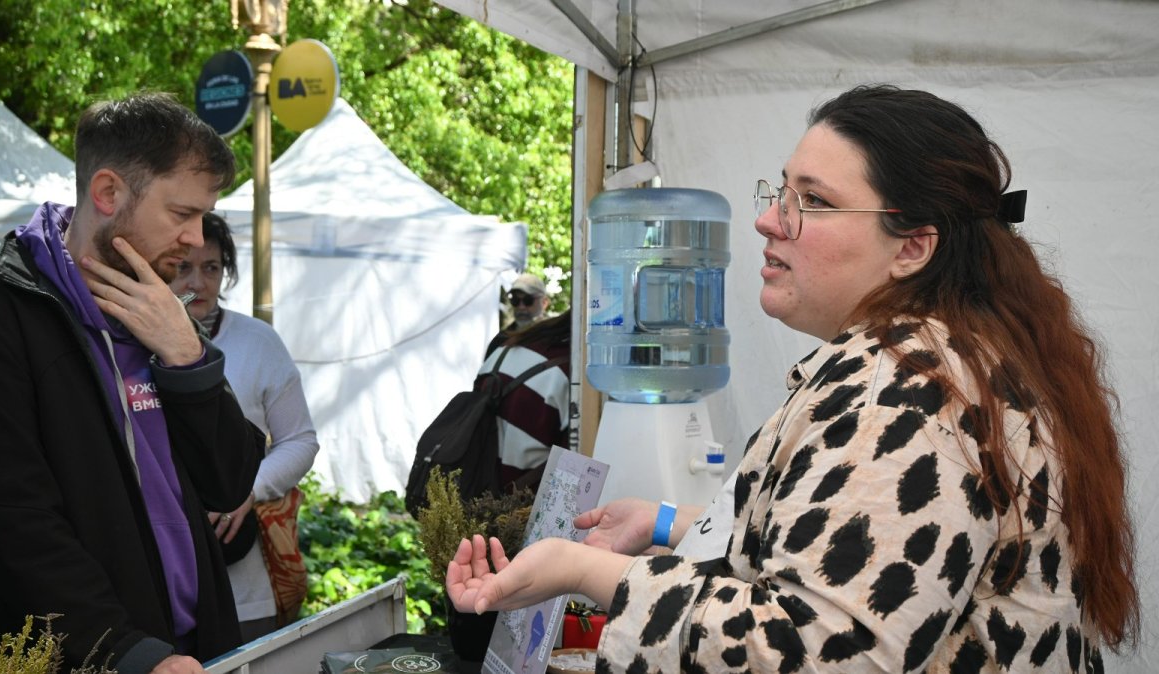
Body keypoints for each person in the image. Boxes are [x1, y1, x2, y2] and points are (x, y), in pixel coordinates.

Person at [446, 85, 1139, 672]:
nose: (768, 220)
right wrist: (664, 522)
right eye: (781, 191)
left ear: (912, 246)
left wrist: (582, 570)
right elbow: (853, 548)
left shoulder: (908, 395)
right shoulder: (946, 361)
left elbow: (817, 649)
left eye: (813, 200)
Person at [0, 93, 260, 674]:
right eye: (182, 214)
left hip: (198, 651)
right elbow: (13, 528)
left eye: (203, 216)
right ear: (107, 192)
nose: (196, 238)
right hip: (96, 660)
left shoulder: (161, 312)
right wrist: (129, 653)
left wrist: (189, 357)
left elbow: (229, 485)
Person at [168, 212, 319, 641]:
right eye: (183, 267)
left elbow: (300, 440)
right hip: (165, 580)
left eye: (211, 267)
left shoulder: (258, 341)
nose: (198, 282)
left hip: (244, 586)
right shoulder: (129, 342)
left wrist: (248, 491)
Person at [478, 309, 571, 493]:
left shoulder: (506, 346)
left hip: (471, 489)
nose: (521, 306)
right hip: (521, 502)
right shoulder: (572, 372)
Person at [484, 272, 551, 358]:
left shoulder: (554, 339)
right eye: (515, 300)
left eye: (528, 300)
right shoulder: (500, 340)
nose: (521, 307)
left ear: (544, 302)